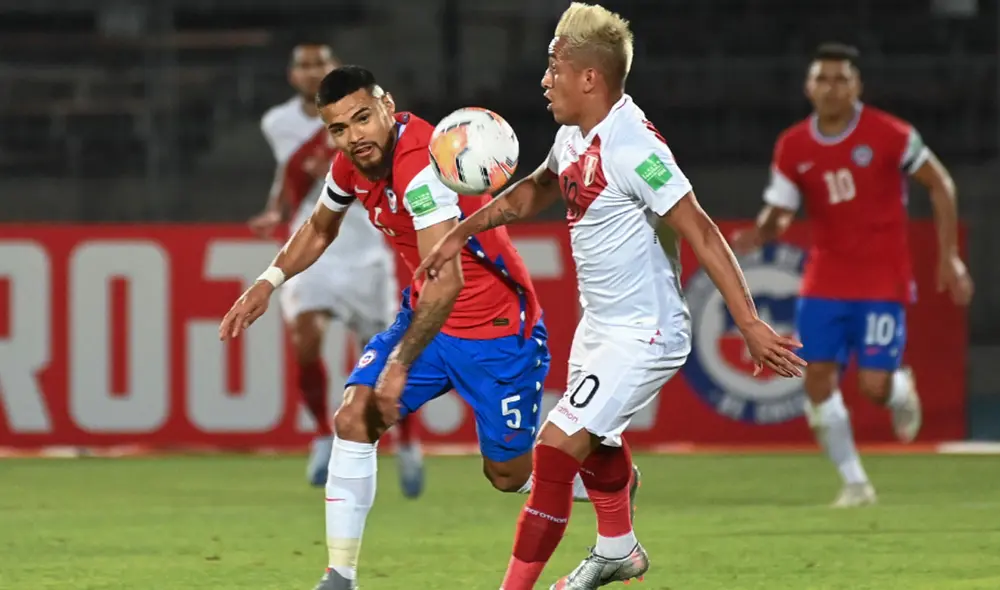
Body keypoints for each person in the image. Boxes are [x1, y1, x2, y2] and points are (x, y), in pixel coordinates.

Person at [416, 4, 806, 589]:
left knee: (554, 452)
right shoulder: (574, 136)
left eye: (554, 68)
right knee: (597, 444)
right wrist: (460, 232)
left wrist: (747, 322)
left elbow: (701, 229)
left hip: (645, 332)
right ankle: (618, 549)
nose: (544, 80)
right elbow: (535, 190)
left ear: (589, 78)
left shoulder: (633, 148)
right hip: (601, 326)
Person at [219, 65, 595, 590]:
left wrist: (398, 365)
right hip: (427, 318)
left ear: (388, 107)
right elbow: (320, 226)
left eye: (362, 119)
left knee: (507, 476)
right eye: (339, 128)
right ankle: (340, 576)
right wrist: (268, 281)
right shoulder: (352, 163)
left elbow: (448, 281)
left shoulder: (423, 168)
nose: (354, 136)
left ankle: (597, 477)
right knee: (354, 417)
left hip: (497, 331)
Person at [730, 42, 974, 508]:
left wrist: (950, 257)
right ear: (808, 87)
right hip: (825, 279)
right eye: (822, 79)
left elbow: (940, 183)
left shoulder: (891, 134)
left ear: (857, 86)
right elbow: (781, 210)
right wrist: (762, 232)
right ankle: (855, 483)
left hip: (883, 278)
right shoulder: (793, 145)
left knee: (873, 386)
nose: (831, 88)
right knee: (817, 379)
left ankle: (900, 387)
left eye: (841, 79)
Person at [248, 44, 424, 492]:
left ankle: (407, 443)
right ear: (292, 75)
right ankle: (323, 436)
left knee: (385, 358)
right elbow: (288, 173)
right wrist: (276, 210)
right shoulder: (278, 122)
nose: (312, 72)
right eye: (304, 65)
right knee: (305, 338)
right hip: (315, 244)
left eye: (320, 64)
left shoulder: (366, 117)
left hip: (365, 247)